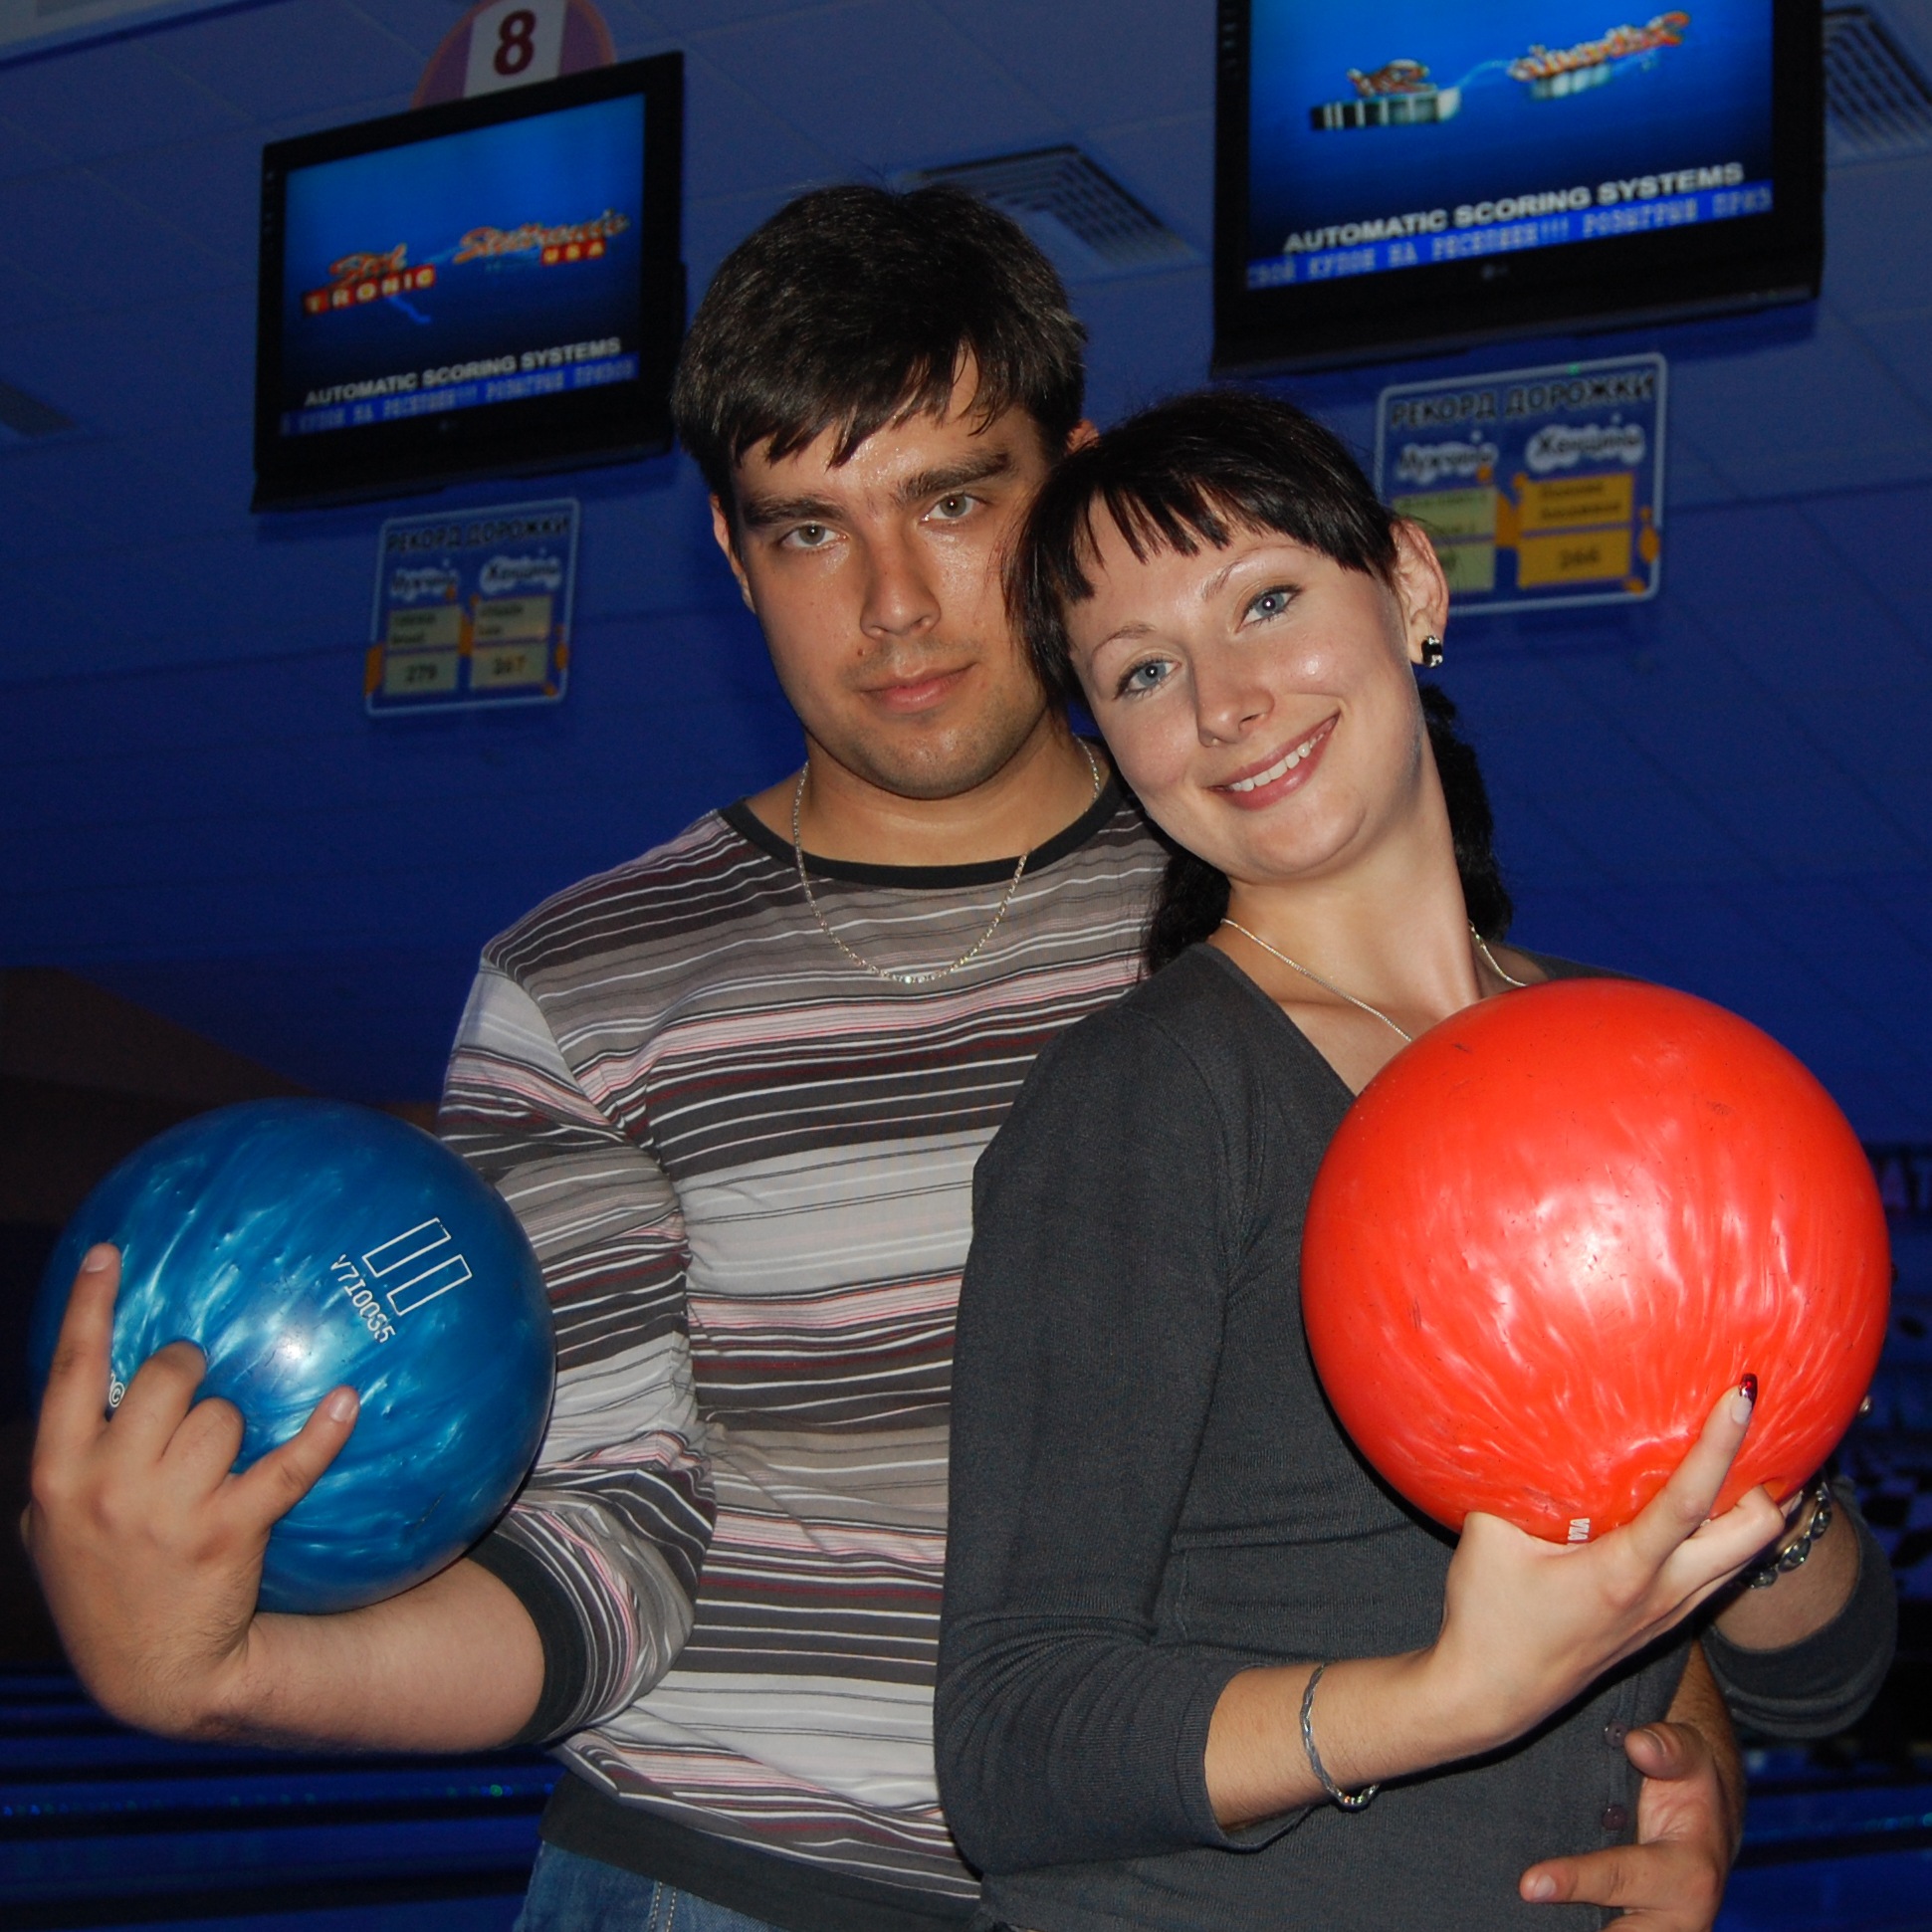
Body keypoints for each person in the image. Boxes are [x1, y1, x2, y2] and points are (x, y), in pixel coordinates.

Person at [24, 202, 1865, 1932]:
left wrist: (1676, 1761)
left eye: (953, 499)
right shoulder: (585, 985)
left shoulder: (1275, 873)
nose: (893, 602)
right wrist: (229, 1669)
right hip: (726, 1879)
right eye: (807, 530)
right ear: (731, 556)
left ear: (1066, 493)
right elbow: (609, 1554)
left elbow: (1554, 1433)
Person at [936, 389, 1898, 1931]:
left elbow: (1822, 1673)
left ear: (1410, 584)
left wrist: (1749, 1481)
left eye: (1264, 600)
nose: (1226, 700)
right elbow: (1011, 1741)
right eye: (1142, 671)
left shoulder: (1626, 1070)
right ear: (1113, 745)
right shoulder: (1145, 1097)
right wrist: (1449, 1697)